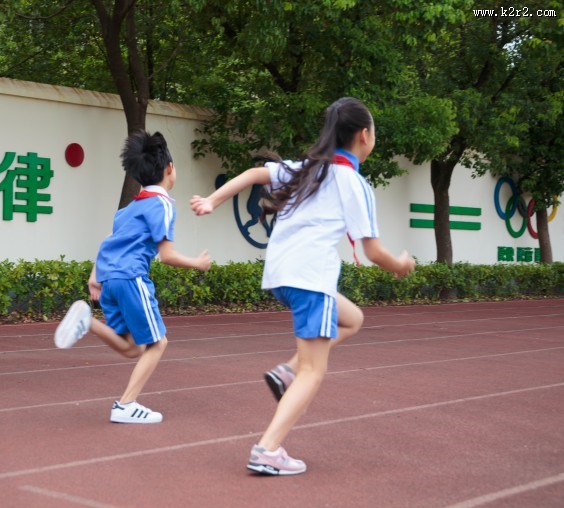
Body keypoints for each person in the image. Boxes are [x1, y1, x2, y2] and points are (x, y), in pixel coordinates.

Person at [190, 97, 415, 475]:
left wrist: (213, 199)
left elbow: (254, 174)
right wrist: (402, 265)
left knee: (353, 318)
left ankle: (286, 372)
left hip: (281, 273)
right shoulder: (353, 182)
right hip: (311, 277)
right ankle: (267, 449)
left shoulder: (309, 168)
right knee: (316, 372)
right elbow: (374, 251)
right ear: (365, 136)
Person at [54, 130, 211, 424]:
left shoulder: (128, 209)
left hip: (111, 279)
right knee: (158, 343)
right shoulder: (162, 205)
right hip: (131, 278)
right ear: (169, 169)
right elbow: (167, 256)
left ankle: (87, 321)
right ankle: (126, 405)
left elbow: (109, 242)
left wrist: (95, 276)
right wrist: (197, 263)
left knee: (132, 348)